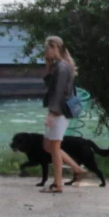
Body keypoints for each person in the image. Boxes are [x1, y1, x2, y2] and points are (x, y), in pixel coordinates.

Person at [40, 35, 87, 193]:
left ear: (54, 48)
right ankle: (77, 169)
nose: (46, 52)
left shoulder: (61, 67)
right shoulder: (60, 66)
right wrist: (48, 66)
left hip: (59, 112)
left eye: (47, 48)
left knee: (54, 147)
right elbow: (51, 86)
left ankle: (58, 184)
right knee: (49, 146)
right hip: (60, 111)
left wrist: (52, 113)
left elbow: (58, 92)